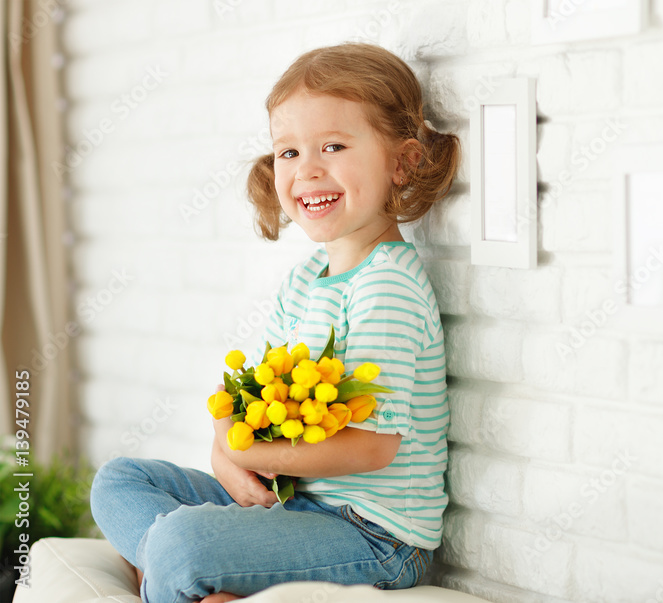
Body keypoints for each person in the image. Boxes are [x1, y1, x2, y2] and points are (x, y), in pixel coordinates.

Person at [89, 43, 460, 603]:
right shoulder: (307, 280)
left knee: (180, 543)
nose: (307, 169)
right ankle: (181, 571)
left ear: (401, 162)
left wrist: (251, 456)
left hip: (372, 534)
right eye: (287, 152)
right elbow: (250, 405)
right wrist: (225, 456)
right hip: (293, 502)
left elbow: (370, 449)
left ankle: (173, 569)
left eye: (333, 146)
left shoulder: (387, 287)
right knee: (118, 481)